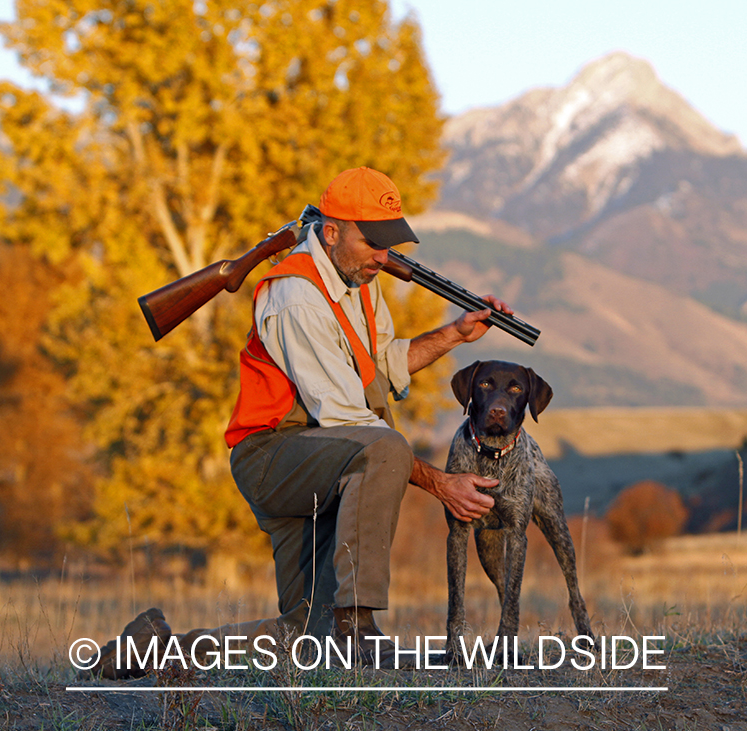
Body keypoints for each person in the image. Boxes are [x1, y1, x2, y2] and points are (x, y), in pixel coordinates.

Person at [86, 167, 506, 676]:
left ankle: (150, 653)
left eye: (391, 242)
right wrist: (442, 483)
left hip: (324, 458)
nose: (384, 257)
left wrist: (455, 334)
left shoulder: (360, 280)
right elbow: (353, 422)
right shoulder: (296, 297)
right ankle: (358, 629)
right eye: (373, 242)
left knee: (309, 636)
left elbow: (381, 368)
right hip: (273, 456)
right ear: (330, 232)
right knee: (388, 446)